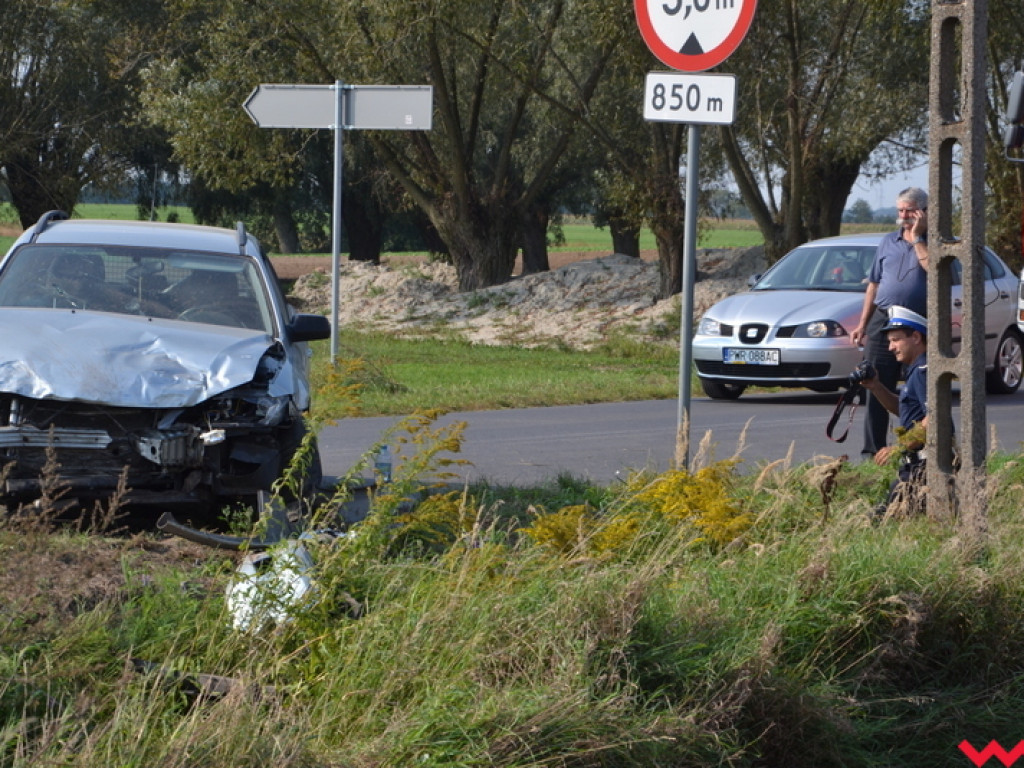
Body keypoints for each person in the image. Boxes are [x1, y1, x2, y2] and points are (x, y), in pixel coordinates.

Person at [850, 187, 929, 457]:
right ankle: (873, 452)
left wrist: (918, 237)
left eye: (909, 210)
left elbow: (936, 270)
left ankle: (913, 449)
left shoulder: (935, 241)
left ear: (923, 211)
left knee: (917, 391)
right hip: (884, 320)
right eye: (901, 211)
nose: (904, 216)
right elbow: (874, 284)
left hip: (917, 323)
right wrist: (863, 324)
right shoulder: (887, 241)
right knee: (874, 385)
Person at [859, 306, 929, 516]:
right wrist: (876, 387)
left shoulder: (924, 371)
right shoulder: (915, 370)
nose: (890, 347)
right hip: (914, 468)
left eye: (896, 340)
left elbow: (934, 419)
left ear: (916, 337)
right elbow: (907, 410)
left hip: (925, 467)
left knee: (883, 520)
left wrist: (897, 448)